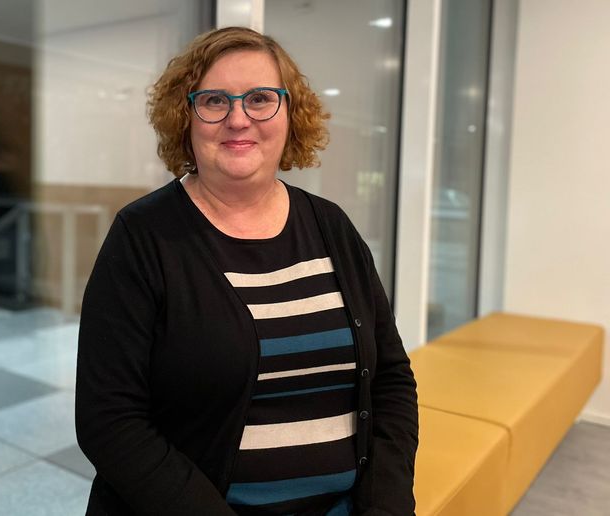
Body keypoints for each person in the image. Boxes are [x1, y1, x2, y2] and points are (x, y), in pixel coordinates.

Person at [76, 26, 418, 516]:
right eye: (214, 100)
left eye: (260, 98)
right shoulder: (143, 237)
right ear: (185, 118)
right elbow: (109, 421)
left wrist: (385, 506)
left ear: (290, 113)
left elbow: (391, 380)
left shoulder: (332, 226)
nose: (238, 119)